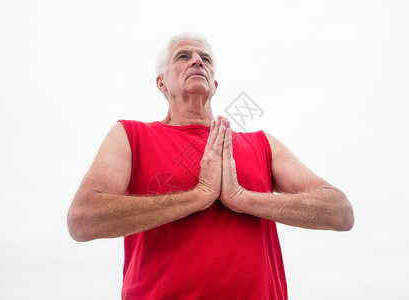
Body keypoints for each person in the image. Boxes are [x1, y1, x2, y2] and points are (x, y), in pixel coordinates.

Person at [67, 32, 354, 300]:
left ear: (214, 85)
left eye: (206, 59)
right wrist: (199, 196)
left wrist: (242, 198)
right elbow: (83, 220)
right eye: (183, 56)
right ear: (161, 82)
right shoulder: (131, 135)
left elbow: (339, 212)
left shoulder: (262, 143)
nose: (197, 61)